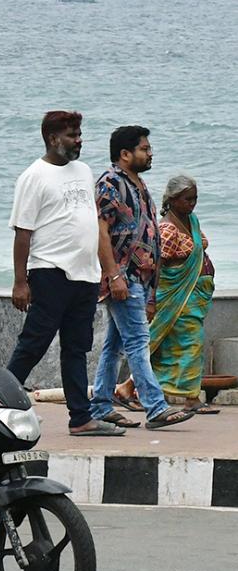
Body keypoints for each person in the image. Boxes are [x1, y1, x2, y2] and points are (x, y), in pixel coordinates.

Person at [5, 111, 119, 435]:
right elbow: (22, 233)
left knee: (77, 347)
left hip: (85, 275)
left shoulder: (83, 171)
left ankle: (81, 419)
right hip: (50, 271)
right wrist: (20, 282)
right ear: (53, 139)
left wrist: (105, 270)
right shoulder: (34, 176)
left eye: (80, 134)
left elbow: (90, 220)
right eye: (73, 135)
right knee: (34, 344)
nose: (79, 140)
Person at [90, 126, 194, 430]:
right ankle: (156, 407)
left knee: (116, 345)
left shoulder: (139, 185)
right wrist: (114, 275)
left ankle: (99, 406)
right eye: (144, 149)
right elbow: (100, 231)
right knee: (137, 341)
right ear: (125, 154)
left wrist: (151, 292)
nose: (150, 153)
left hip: (140, 280)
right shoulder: (110, 184)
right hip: (123, 277)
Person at [149, 174, 216, 413]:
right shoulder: (167, 228)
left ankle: (131, 387)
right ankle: (191, 398)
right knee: (191, 342)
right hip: (177, 296)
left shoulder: (192, 221)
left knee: (171, 346)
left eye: (195, 199)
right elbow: (158, 264)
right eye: (188, 199)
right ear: (173, 199)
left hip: (194, 295)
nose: (193, 204)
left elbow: (202, 244)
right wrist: (152, 299)